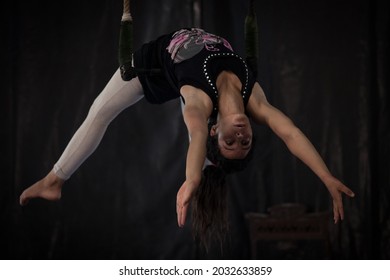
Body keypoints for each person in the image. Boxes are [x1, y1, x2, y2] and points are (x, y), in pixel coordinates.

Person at [19, 27, 355, 249]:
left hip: (152, 67)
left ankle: (54, 180)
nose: (239, 136)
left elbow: (195, 137)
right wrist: (326, 177)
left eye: (230, 143)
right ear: (253, 131)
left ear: (215, 131)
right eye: (245, 142)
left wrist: (192, 180)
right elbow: (291, 134)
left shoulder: (198, 105)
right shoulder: (256, 99)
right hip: (184, 69)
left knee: (100, 112)